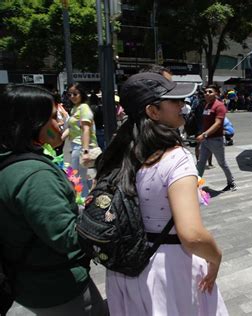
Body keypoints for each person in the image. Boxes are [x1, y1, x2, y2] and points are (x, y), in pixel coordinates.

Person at [98, 72, 228, 315]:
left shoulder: (118, 152)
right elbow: (192, 235)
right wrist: (216, 257)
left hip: (125, 267)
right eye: (175, 101)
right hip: (169, 269)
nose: (182, 105)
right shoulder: (177, 158)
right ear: (153, 111)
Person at [0, 85, 107, 315]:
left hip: (32, 281)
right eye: (51, 117)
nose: (60, 124)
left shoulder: (15, 161)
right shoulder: (35, 175)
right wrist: (101, 200)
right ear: (30, 122)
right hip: (57, 288)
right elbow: (67, 237)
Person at [196, 85, 236, 191]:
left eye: (210, 92)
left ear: (216, 94)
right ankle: (195, 185)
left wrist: (204, 134)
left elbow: (218, 124)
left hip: (215, 140)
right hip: (206, 140)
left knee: (222, 163)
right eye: (206, 92)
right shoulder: (207, 105)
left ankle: (231, 183)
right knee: (201, 162)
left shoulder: (219, 106)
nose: (207, 93)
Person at [66, 82, 99, 197]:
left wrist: (85, 151)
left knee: (77, 177)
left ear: (81, 94)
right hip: (76, 146)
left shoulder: (84, 108)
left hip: (81, 146)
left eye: (75, 94)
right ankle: (86, 200)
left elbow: (86, 130)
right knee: (81, 177)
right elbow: (71, 128)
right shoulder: (75, 108)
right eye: (69, 94)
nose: (72, 97)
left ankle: (83, 203)